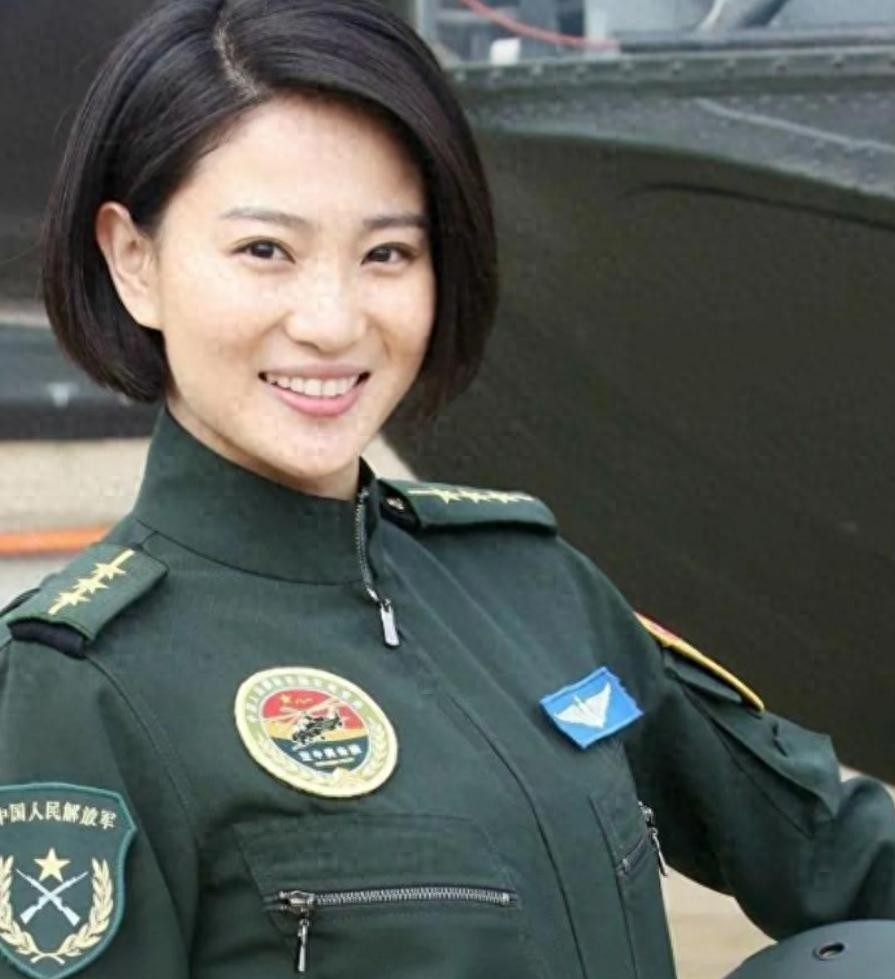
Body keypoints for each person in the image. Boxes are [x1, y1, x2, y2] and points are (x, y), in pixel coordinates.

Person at [1, 1, 893, 977]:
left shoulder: (530, 586)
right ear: (134, 262)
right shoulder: (81, 689)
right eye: (266, 250)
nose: (333, 322)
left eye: (386, 253)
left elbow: (835, 850)